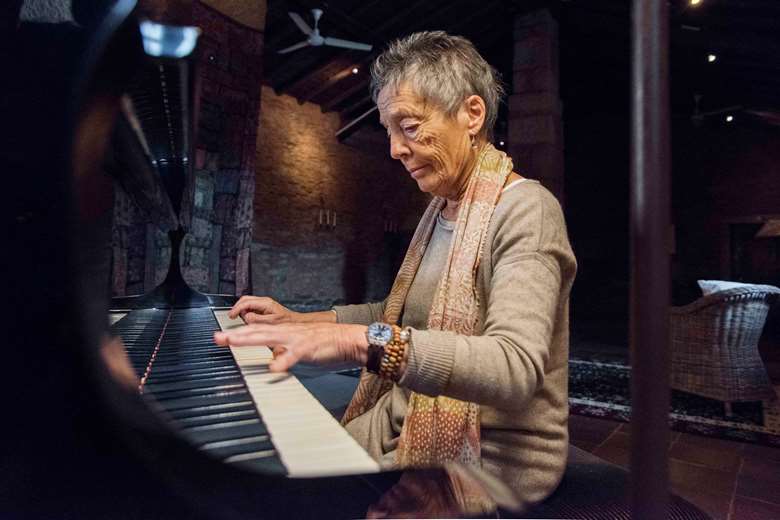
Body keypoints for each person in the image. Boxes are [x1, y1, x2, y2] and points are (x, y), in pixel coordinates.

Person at [214, 30, 576, 513]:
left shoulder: (527, 209)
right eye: (389, 130)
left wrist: (360, 341)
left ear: (472, 114)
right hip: (403, 417)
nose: (394, 149)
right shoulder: (442, 210)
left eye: (408, 126)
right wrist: (300, 321)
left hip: (492, 459)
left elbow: (514, 367)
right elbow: (395, 313)